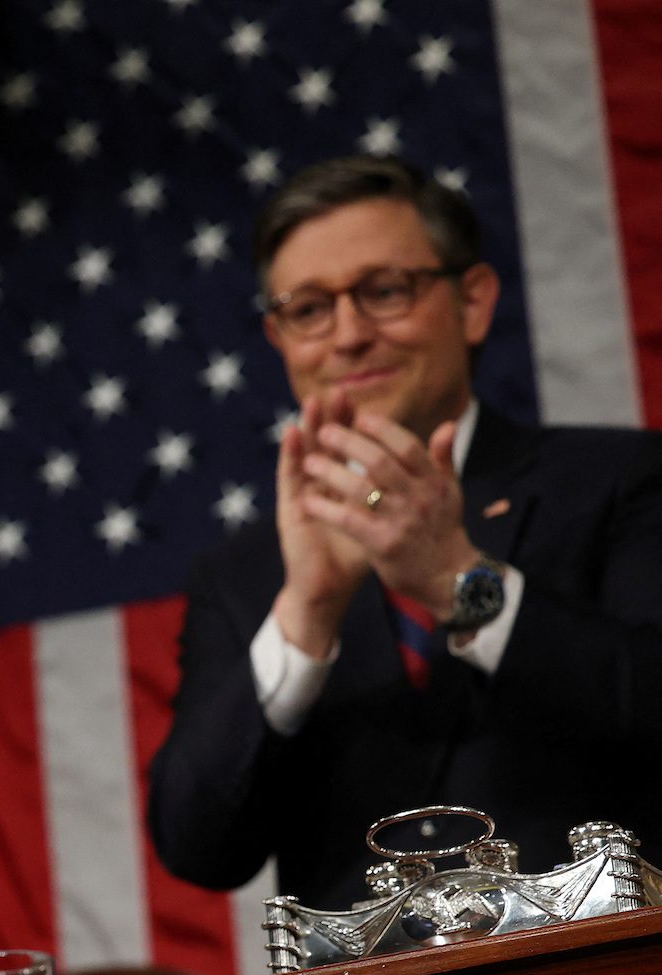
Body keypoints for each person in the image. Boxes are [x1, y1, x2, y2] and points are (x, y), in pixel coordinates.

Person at [148, 155, 662, 915]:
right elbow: (197, 845)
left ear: (474, 302)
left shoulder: (619, 479)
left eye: (384, 293)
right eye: (310, 309)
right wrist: (305, 617)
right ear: (279, 337)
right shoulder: (247, 575)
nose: (348, 336)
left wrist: (462, 584)